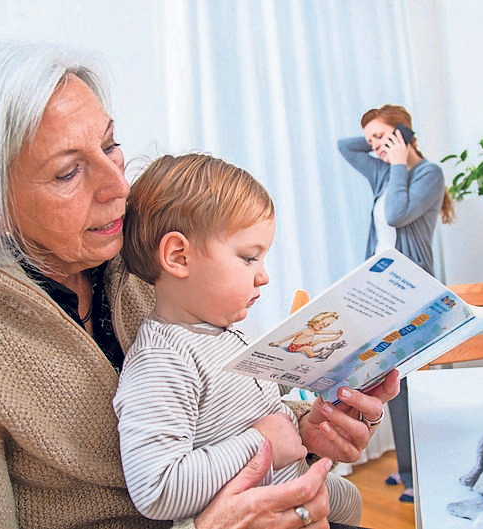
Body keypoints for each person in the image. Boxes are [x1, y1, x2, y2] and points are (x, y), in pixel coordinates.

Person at [0, 41, 400, 529]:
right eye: (69, 171)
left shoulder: (139, 248)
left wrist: (309, 429)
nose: (118, 186)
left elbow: (219, 410)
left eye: (110, 144)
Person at [114, 153, 362, 524]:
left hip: (291, 500)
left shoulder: (225, 335)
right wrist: (260, 443)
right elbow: (157, 489)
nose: (264, 276)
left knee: (349, 497)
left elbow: (261, 411)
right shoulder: (162, 360)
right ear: (179, 256)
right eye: (249, 258)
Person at [337, 103, 454, 503]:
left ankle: (423, 473)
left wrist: (400, 155)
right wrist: (380, 143)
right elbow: (345, 147)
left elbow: (399, 213)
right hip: (382, 293)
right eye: (372, 139)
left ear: (402, 135)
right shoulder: (382, 170)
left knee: (416, 383)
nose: (373, 146)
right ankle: (409, 472)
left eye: (382, 137)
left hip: (415, 291)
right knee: (394, 383)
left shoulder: (428, 174)